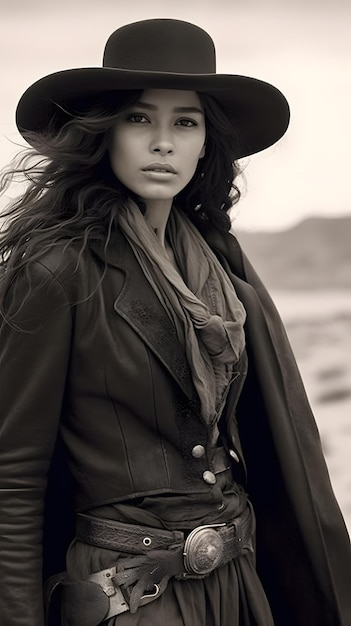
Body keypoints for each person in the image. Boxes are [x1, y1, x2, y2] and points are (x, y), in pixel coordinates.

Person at [0, 18, 350, 626]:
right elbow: (12, 478)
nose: (162, 141)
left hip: (240, 586)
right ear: (105, 132)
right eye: (139, 118)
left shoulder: (220, 267)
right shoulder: (59, 271)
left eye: (184, 122)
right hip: (128, 601)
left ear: (206, 142)